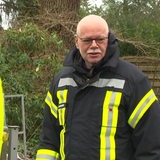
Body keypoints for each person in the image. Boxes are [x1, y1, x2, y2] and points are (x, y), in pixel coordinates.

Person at [36, 15, 160, 160]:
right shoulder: (61, 81)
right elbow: (48, 141)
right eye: (87, 40)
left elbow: (151, 145)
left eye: (100, 40)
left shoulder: (133, 81)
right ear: (77, 41)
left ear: (108, 39)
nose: (94, 45)